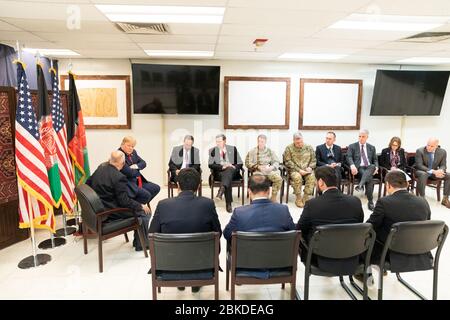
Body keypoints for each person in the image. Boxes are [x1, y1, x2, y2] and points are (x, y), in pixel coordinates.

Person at [149, 168, 222, 293]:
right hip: (202, 262)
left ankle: (180, 280)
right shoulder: (208, 204)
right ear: (198, 186)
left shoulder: (163, 205)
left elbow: (151, 234)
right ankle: (195, 282)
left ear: (178, 185)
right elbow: (218, 232)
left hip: (169, 262)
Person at [354, 171, 433, 284]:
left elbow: (370, 226)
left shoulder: (384, 202)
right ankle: (382, 268)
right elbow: (426, 224)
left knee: (365, 236)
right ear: (406, 184)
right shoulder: (423, 202)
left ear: (388, 185)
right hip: (419, 251)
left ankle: (364, 272)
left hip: (391, 253)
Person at [223, 174, 295, 279]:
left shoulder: (240, 212)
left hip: (246, 264)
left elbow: (226, 234)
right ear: (269, 191)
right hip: (279, 264)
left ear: (249, 191)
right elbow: (293, 233)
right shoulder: (283, 210)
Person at [296, 166, 364, 272]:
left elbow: (300, 229)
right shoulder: (355, 201)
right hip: (351, 255)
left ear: (321, 182)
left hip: (320, 259)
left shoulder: (313, 204)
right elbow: (359, 225)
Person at [86, 151, 151, 251]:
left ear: (110, 160)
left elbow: (88, 183)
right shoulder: (119, 177)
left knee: (137, 207)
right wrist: (141, 206)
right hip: (110, 212)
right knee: (145, 213)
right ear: (122, 163)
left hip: (99, 208)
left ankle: (139, 242)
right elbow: (124, 202)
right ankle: (141, 245)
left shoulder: (101, 167)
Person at [118, 136, 160, 206]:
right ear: (122, 144)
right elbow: (129, 173)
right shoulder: (119, 155)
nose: (131, 148)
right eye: (128, 146)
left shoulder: (133, 152)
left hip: (138, 181)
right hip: (129, 184)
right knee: (147, 194)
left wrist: (135, 166)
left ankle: (140, 205)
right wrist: (136, 170)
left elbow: (143, 163)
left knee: (156, 188)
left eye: (132, 146)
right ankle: (136, 207)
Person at [208, 134, 243, 213]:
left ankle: (221, 191)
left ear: (224, 141)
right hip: (220, 173)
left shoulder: (232, 148)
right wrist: (222, 167)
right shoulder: (212, 151)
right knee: (227, 176)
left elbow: (240, 162)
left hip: (233, 173)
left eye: (219, 141)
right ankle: (228, 203)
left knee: (229, 170)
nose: (217, 143)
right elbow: (210, 164)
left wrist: (233, 167)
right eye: (216, 142)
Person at [346, 129, 379, 211]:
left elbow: (375, 160)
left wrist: (377, 167)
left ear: (367, 137)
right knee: (369, 178)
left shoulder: (372, 147)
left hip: (369, 167)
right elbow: (348, 157)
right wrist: (352, 166)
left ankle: (360, 185)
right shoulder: (352, 146)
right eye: (359, 136)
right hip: (359, 168)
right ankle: (370, 201)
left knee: (372, 166)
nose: (361, 138)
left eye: (363, 136)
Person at [245, 134, 283, 203]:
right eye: (259, 141)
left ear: (265, 142)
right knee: (257, 181)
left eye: (262, 141)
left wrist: (272, 167)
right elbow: (247, 163)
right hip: (258, 171)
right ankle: (257, 198)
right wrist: (257, 166)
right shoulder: (252, 151)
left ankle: (273, 197)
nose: (260, 143)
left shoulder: (270, 151)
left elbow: (276, 161)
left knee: (279, 179)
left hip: (268, 170)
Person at [283, 131, 316, 208]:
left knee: (312, 176)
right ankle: (298, 197)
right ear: (294, 141)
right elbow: (287, 162)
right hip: (295, 170)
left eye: (301, 142)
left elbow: (314, 160)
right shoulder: (289, 148)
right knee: (297, 177)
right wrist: (299, 170)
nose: (300, 144)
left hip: (307, 170)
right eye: (297, 143)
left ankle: (306, 197)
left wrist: (310, 167)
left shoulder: (309, 147)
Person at [414, 138, 450, 209]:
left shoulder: (442, 152)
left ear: (436, 146)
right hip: (421, 171)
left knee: (448, 175)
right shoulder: (420, 151)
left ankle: (445, 198)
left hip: (434, 172)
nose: (429, 147)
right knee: (423, 174)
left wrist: (440, 170)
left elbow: (443, 165)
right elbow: (419, 165)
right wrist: (433, 171)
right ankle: (422, 198)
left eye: (432, 146)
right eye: (428, 145)